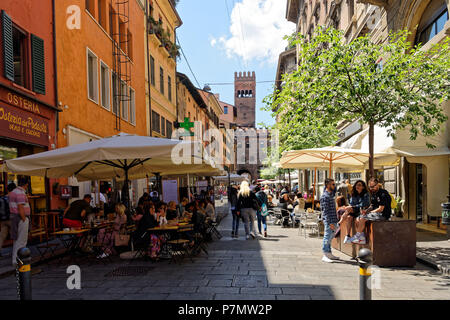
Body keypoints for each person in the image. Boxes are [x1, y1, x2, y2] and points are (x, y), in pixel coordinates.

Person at [352, 178, 392, 244]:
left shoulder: (383, 193)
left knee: (362, 218)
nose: (371, 188)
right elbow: (372, 205)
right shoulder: (373, 193)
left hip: (383, 214)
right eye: (370, 187)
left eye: (373, 186)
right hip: (376, 214)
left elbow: (380, 209)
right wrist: (366, 211)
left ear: (378, 185)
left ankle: (357, 237)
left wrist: (369, 213)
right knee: (358, 218)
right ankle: (361, 238)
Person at [9, 177, 31, 267]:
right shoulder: (20, 192)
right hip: (21, 218)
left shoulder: (13, 192)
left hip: (15, 217)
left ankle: (15, 259)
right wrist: (24, 219)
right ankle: (19, 259)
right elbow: (20, 207)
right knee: (22, 240)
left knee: (17, 239)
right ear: (26, 184)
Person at [320, 178, 340, 263]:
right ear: (328, 185)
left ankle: (329, 253)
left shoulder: (330, 195)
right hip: (329, 220)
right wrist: (329, 222)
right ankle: (325, 254)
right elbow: (325, 211)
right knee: (327, 237)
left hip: (333, 219)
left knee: (330, 237)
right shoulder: (325, 196)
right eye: (333, 184)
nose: (334, 186)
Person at [0, 183, 16, 257]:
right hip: (11, 219)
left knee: (2, 236)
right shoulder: (12, 198)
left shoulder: (2, 198)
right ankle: (16, 252)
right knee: (16, 236)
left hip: (3, 220)